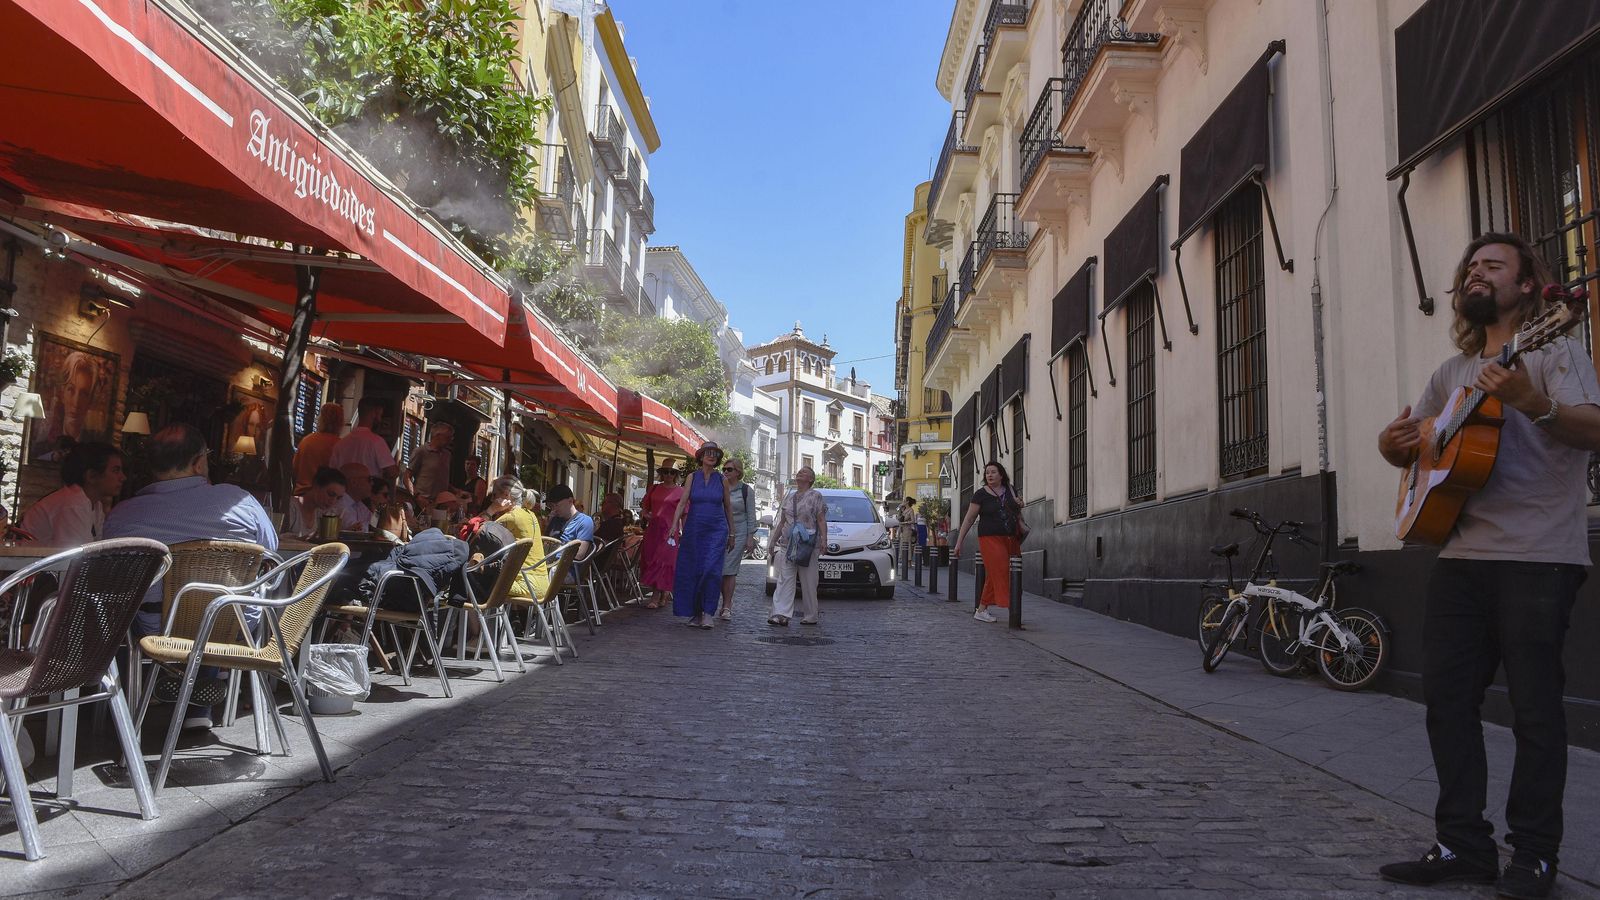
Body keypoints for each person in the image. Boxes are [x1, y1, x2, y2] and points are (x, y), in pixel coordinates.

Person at [1376, 234, 1600, 898]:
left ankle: (1534, 855)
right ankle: (1461, 844)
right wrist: (1392, 446)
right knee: (1447, 701)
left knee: (1535, 710)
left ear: (1529, 286)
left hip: (1538, 557)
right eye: (1471, 267)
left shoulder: (1555, 349)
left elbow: (1594, 428)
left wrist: (1534, 402)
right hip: (1460, 556)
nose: (1476, 273)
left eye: (1493, 266)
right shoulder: (1452, 373)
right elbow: (1421, 446)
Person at [104, 423, 278, 731]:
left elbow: (112, 569)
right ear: (199, 463)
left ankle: (145, 695)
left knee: (148, 609)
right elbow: (270, 550)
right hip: (234, 624)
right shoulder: (239, 501)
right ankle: (197, 701)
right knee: (212, 610)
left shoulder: (122, 514)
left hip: (156, 627)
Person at [669, 442, 734, 629]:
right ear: (701, 456)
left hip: (716, 530)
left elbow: (728, 507)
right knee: (693, 571)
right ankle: (696, 613)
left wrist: (732, 533)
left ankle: (708, 613)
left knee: (711, 570)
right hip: (694, 529)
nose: (711, 456)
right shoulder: (692, 477)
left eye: (715, 454)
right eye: (708, 453)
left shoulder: (722, 480)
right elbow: (682, 502)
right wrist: (674, 525)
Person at [952, 461, 1025, 623]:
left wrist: (1020, 504)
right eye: (987, 473)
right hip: (989, 538)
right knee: (1001, 568)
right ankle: (1010, 605)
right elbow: (969, 519)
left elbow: (1016, 510)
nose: (989, 475)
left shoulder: (1011, 489)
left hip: (1010, 537)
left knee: (999, 572)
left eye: (993, 472)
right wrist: (959, 542)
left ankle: (982, 609)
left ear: (1001, 474)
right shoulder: (981, 494)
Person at [20, 441, 124, 545]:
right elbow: (77, 553)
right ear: (91, 476)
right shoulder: (74, 504)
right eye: (115, 471)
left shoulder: (96, 505)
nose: (123, 477)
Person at [768, 466, 826, 627]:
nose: (800, 473)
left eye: (804, 472)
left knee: (809, 581)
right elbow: (782, 522)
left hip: (808, 545)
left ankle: (811, 615)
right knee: (785, 579)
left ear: (811, 479)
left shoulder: (816, 496)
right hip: (788, 544)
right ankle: (780, 614)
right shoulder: (790, 497)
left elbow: (821, 519)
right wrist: (773, 540)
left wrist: (824, 540)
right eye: (799, 472)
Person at [484, 475, 549, 601]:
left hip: (525, 584)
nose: (492, 499)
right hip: (542, 584)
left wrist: (491, 510)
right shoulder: (531, 515)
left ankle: (472, 615)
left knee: (471, 578)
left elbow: (479, 533)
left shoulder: (510, 517)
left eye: (494, 495)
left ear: (506, 495)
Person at [717, 456, 758, 620]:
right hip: (719, 531)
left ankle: (727, 605)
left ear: (738, 472)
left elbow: (751, 515)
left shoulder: (746, 490)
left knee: (729, 570)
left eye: (729, 469)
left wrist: (750, 537)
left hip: (739, 532)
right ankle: (724, 601)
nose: (726, 472)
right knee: (719, 570)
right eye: (724, 469)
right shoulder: (719, 487)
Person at [638, 464, 682, 609]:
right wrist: (646, 514)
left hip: (670, 531)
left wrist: (684, 531)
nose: (668, 475)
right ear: (661, 473)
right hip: (653, 530)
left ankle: (655, 597)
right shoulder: (654, 489)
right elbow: (645, 506)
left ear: (676, 474)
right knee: (651, 561)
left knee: (662, 561)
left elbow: (685, 513)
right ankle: (664, 592)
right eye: (666, 472)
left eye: (672, 472)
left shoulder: (680, 491)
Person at [328, 396, 399, 482]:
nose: (380, 420)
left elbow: (332, 473)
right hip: (369, 489)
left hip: (344, 489)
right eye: (380, 415)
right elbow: (392, 472)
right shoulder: (377, 442)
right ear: (374, 413)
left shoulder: (340, 444)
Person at [293, 403, 345, 491]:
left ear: (321, 419)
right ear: (340, 422)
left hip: (301, 493)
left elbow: (294, 471)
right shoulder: (341, 445)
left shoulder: (306, 441)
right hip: (326, 496)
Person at [288, 466, 348, 537]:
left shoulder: (321, 513)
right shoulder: (291, 506)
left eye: (338, 498)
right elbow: (279, 537)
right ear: (316, 486)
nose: (333, 501)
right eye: (331, 494)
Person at [409, 422, 454, 499]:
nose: (450, 440)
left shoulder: (447, 455)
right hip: (422, 499)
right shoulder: (421, 451)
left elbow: (440, 480)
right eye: (448, 437)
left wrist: (456, 491)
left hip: (440, 502)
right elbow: (406, 477)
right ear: (438, 436)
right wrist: (417, 496)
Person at [336, 463, 373, 531]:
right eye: (369, 479)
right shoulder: (339, 504)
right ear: (354, 482)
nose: (372, 483)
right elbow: (357, 530)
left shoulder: (358, 504)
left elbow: (375, 524)